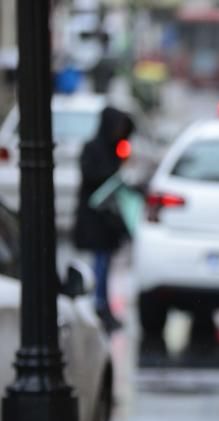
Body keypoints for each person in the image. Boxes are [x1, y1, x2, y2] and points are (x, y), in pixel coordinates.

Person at [73, 106, 134, 332]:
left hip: (108, 221)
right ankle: (98, 306)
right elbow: (91, 177)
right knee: (99, 264)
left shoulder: (114, 150)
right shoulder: (93, 149)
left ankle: (103, 305)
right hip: (94, 220)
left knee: (105, 263)